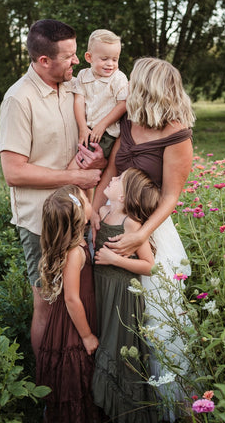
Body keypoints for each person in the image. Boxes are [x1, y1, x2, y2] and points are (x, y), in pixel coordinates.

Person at [87, 57, 196, 420]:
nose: (127, 86)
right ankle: (121, 396)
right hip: (114, 220)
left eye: (134, 80)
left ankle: (167, 406)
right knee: (117, 311)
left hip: (150, 232)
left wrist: (141, 237)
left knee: (154, 321)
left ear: (148, 87)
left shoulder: (178, 135)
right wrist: (93, 213)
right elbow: (110, 172)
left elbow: (171, 197)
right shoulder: (129, 122)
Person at [0, 19, 105, 359]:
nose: (77, 62)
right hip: (41, 223)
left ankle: (75, 379)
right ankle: (47, 387)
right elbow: (13, 172)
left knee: (80, 295)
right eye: (70, 56)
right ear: (44, 60)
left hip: (79, 212)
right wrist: (72, 179)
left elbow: (76, 151)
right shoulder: (19, 99)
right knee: (46, 303)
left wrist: (93, 160)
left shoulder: (73, 89)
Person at [92, 168, 160, 423]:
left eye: (119, 179)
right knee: (101, 339)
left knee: (117, 347)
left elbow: (149, 266)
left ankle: (126, 412)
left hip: (122, 295)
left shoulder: (130, 223)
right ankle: (103, 407)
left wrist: (114, 259)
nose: (112, 178)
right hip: (101, 290)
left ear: (124, 196)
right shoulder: (104, 212)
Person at [36, 185, 101, 423]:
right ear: (80, 217)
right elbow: (72, 299)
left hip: (75, 316)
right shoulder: (75, 253)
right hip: (74, 323)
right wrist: (86, 335)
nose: (89, 199)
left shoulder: (74, 243)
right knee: (74, 375)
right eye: (86, 199)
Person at [73, 29, 128, 160]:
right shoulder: (83, 75)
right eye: (104, 59)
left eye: (115, 59)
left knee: (82, 161)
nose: (110, 64)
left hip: (106, 133)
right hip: (86, 129)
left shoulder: (118, 78)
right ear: (89, 57)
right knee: (79, 159)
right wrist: (82, 127)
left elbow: (123, 104)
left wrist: (102, 125)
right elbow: (78, 101)